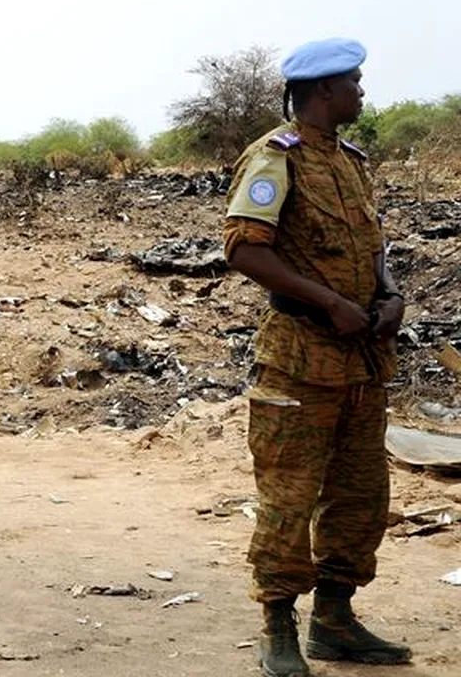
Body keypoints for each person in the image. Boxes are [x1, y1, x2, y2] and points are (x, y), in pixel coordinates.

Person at [221, 37, 411, 677]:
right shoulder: (277, 159)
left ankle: (335, 620)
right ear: (325, 90)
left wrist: (389, 298)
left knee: (360, 498)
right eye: (354, 83)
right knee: (288, 500)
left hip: (361, 366)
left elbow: (371, 248)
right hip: (299, 363)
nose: (362, 92)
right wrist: (328, 302)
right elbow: (245, 249)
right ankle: (278, 627)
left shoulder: (351, 161)